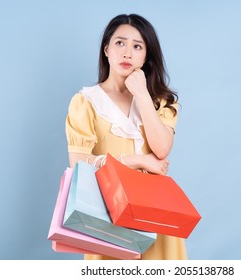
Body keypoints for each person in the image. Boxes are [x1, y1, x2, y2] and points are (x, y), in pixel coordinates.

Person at [65, 14, 186, 260]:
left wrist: (141, 94)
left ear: (146, 56)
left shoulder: (160, 102)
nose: (127, 53)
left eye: (137, 46)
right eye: (120, 43)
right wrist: (138, 161)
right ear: (107, 49)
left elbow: (162, 149)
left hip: (155, 215)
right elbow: (78, 163)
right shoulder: (85, 102)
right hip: (107, 215)